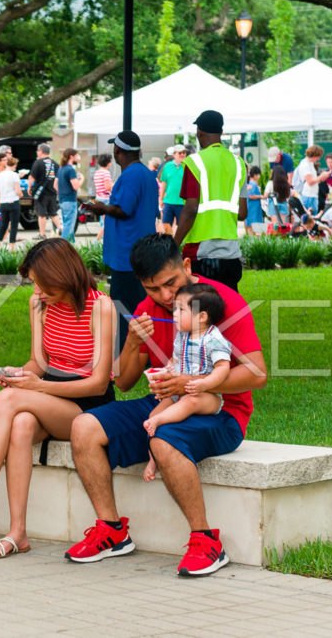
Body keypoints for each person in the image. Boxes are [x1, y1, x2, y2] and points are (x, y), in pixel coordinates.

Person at [65, 233, 266, 576]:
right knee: (83, 427)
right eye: (153, 289)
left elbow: (257, 374)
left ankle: (206, 541)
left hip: (220, 411)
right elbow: (125, 382)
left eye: (170, 284)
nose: (165, 296)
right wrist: (131, 342)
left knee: (165, 439)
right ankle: (112, 530)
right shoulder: (147, 311)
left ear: (186, 265)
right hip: (166, 401)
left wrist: (191, 383)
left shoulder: (222, 302)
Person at [0, 240, 115, 559]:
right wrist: (19, 374)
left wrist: (36, 388)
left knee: (8, 402)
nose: (36, 289)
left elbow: (99, 383)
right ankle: (17, 532)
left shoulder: (100, 305)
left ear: (61, 275)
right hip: (49, 396)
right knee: (19, 423)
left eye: (40, 282)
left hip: (88, 406)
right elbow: (40, 364)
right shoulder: (39, 303)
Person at [141, 283, 231, 481]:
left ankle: (159, 421)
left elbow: (223, 368)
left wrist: (205, 384)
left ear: (202, 317)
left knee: (190, 402)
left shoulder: (213, 338)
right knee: (156, 410)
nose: (174, 314)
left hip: (208, 396)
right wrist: (167, 370)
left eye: (180, 309)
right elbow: (175, 360)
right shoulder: (182, 336)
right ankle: (153, 459)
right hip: (182, 391)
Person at [86, 130, 157, 351]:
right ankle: (140, 353)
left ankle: (124, 355)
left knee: (124, 308)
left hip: (127, 255)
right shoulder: (145, 174)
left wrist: (100, 207)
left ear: (118, 151)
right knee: (138, 307)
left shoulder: (131, 175)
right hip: (139, 252)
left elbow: (123, 210)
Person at [174, 110, 249, 292]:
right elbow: (242, 213)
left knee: (201, 312)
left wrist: (174, 244)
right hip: (231, 252)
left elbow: (190, 209)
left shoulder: (195, 162)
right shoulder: (239, 163)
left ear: (199, 132)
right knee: (227, 311)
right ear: (221, 132)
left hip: (201, 252)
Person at [28, 143, 61, 239]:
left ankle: (42, 234)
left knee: (41, 214)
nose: (37, 152)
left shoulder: (38, 163)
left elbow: (32, 177)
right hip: (52, 192)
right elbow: (58, 179)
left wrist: (29, 188)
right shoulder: (55, 163)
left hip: (41, 193)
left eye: (37, 151)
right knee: (53, 213)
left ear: (41, 151)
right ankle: (62, 230)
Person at [0, 153, 22, 250]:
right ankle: (12, 247)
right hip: (13, 201)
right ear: (14, 165)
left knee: (3, 224)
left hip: (3, 202)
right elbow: (18, 191)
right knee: (14, 225)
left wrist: (2, 196)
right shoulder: (14, 175)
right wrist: (21, 195)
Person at [158, 144, 187, 235]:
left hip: (182, 202)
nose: (182, 155)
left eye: (184, 153)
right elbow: (164, 183)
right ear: (174, 154)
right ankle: (171, 242)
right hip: (169, 201)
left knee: (181, 226)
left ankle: (178, 243)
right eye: (180, 153)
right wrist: (161, 198)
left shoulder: (188, 166)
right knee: (165, 224)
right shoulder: (167, 166)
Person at [56, 148, 83, 241]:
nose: (78, 158)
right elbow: (75, 186)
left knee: (68, 225)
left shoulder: (61, 169)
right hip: (70, 201)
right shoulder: (70, 170)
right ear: (72, 157)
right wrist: (81, 179)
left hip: (62, 200)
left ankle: (72, 247)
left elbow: (55, 185)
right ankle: (63, 247)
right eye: (77, 156)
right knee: (69, 226)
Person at [296, 145, 329, 214]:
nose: (319, 158)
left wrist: (321, 178)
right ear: (314, 155)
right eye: (319, 156)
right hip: (309, 195)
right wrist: (321, 176)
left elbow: (313, 180)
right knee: (311, 219)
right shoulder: (305, 164)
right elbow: (310, 182)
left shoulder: (310, 163)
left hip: (312, 195)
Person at [267, 165, 292, 230]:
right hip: (283, 203)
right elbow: (288, 195)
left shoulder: (270, 183)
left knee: (275, 225)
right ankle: (283, 238)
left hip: (273, 204)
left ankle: (275, 239)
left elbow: (265, 195)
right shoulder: (286, 184)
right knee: (283, 225)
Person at [245, 166, 264, 235]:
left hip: (252, 208)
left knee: (252, 228)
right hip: (253, 209)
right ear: (255, 175)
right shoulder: (253, 184)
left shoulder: (250, 184)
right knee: (256, 229)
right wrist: (261, 196)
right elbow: (250, 196)